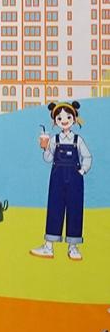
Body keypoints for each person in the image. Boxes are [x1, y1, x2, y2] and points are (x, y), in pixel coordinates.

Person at [32, 102, 93, 261]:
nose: (64, 120)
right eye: (59, 118)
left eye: (68, 117)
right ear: (55, 121)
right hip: (57, 178)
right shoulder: (54, 139)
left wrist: (82, 171)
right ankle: (48, 247)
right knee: (55, 207)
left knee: (75, 208)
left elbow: (87, 157)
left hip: (75, 179)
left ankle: (73, 247)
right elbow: (48, 159)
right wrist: (45, 148)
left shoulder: (78, 140)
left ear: (74, 119)